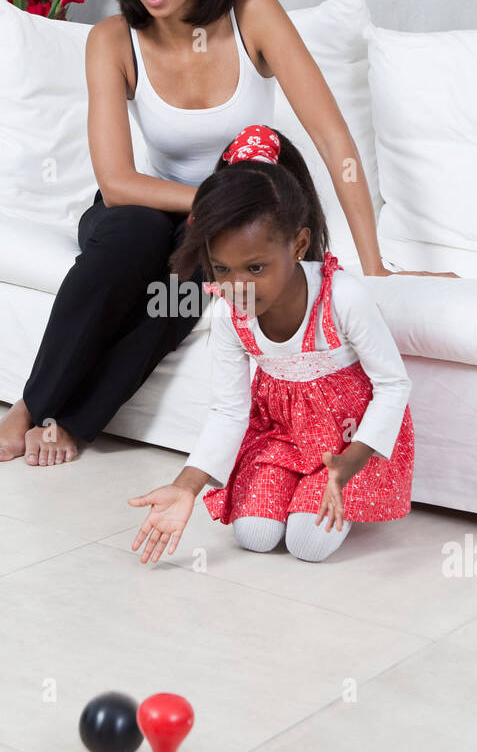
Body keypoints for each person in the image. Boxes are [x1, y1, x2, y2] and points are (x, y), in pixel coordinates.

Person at [0, 0, 452, 468]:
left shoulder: (252, 12)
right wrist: (211, 199)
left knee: (180, 286)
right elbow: (118, 183)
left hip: (224, 231)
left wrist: (375, 265)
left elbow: (335, 140)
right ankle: (29, 404)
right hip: (144, 210)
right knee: (138, 231)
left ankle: (70, 423)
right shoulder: (111, 40)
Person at [128, 124, 414, 564]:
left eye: (256, 268)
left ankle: (321, 486)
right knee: (255, 534)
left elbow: (394, 386)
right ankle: (289, 486)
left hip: (348, 447)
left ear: (298, 245)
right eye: (222, 270)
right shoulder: (229, 313)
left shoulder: (343, 298)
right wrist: (186, 485)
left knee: (308, 544)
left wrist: (349, 463)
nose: (238, 287)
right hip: (281, 438)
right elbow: (228, 409)